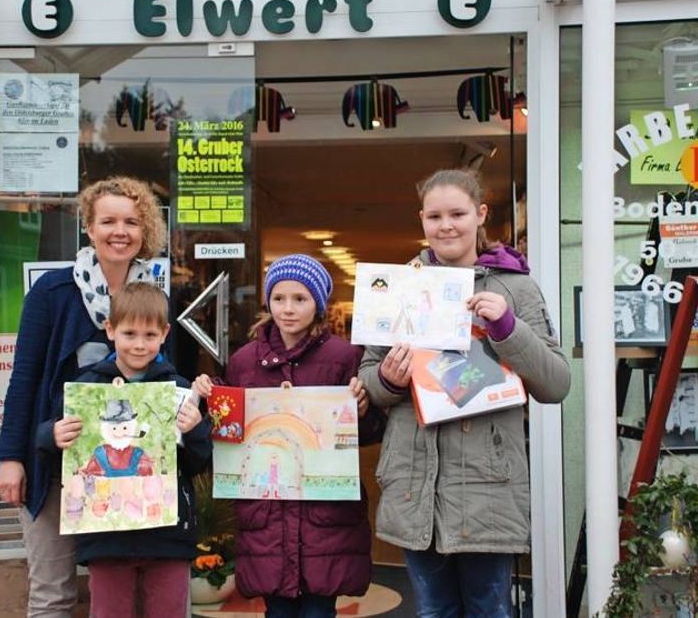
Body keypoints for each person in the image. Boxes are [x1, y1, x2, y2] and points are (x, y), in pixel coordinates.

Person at [358, 169, 570, 618]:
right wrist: (390, 380)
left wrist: (508, 328)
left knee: (488, 610)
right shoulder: (402, 288)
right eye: (435, 216)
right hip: (417, 484)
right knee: (433, 611)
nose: (446, 225)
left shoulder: (516, 288)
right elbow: (370, 379)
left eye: (457, 213)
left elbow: (556, 384)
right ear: (421, 220)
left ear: (481, 214)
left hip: (486, 483)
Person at [0, 176, 167, 617]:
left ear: (144, 229)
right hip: (52, 468)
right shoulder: (52, 292)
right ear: (89, 227)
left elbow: (165, 380)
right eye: (107, 221)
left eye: (130, 221)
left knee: (120, 594)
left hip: (123, 471)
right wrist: (11, 457)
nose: (119, 231)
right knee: (52, 595)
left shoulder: (153, 296)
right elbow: (24, 380)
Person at [192, 254, 386, 618]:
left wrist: (361, 412)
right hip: (268, 518)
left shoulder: (345, 357)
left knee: (319, 610)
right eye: (279, 298)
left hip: (324, 517)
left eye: (301, 299)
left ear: (319, 304)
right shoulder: (243, 362)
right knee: (277, 610)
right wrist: (213, 397)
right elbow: (231, 434)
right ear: (268, 301)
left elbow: (371, 432)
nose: (288, 309)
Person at [46, 282, 212, 618]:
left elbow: (198, 463)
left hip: (166, 535)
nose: (139, 344)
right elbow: (62, 455)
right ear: (110, 330)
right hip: (107, 538)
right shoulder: (86, 388)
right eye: (129, 333)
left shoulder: (178, 390)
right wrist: (50, 435)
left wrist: (195, 431)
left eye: (149, 335)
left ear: (165, 334)